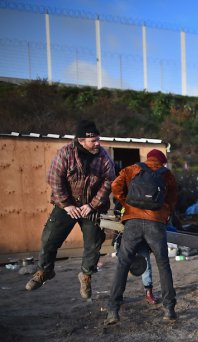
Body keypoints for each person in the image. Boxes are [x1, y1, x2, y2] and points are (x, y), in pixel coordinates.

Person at [25, 120, 116, 299]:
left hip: (91, 206)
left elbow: (108, 182)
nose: (98, 143)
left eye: (98, 139)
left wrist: (91, 205)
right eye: (93, 141)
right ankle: (44, 271)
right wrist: (67, 205)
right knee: (49, 237)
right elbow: (55, 179)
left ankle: (86, 275)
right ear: (81, 140)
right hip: (66, 204)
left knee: (94, 242)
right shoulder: (65, 153)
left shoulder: (103, 157)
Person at [106, 149, 178, 324]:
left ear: (148, 158)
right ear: (162, 161)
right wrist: (164, 213)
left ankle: (113, 310)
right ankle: (169, 309)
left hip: (133, 222)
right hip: (156, 223)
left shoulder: (132, 169)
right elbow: (172, 199)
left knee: (123, 264)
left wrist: (127, 203)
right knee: (163, 264)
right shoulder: (166, 174)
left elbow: (115, 186)